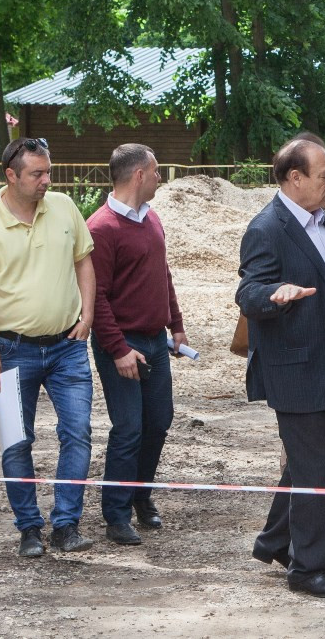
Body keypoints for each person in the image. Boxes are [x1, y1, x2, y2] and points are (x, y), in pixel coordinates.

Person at [237, 135, 325, 598]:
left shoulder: (320, 219)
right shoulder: (267, 228)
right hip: (296, 369)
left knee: (304, 463)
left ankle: (276, 541)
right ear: (294, 178)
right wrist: (275, 295)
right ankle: (308, 568)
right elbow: (248, 292)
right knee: (316, 468)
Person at [0, 137, 96, 558]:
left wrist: (87, 315)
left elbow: (84, 261)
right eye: (37, 173)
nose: (46, 180)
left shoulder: (64, 208)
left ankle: (66, 524)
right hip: (11, 349)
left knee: (79, 433)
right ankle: (29, 528)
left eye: (48, 171)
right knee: (16, 442)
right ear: (11, 175)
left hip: (67, 347)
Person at [86, 144, 186, 546]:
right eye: (157, 170)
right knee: (128, 427)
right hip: (123, 342)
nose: (162, 177)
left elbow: (163, 275)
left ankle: (141, 497)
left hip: (156, 341)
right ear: (139, 175)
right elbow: (96, 296)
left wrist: (176, 326)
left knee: (158, 422)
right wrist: (117, 349)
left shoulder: (152, 219)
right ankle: (116, 513)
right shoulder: (101, 228)